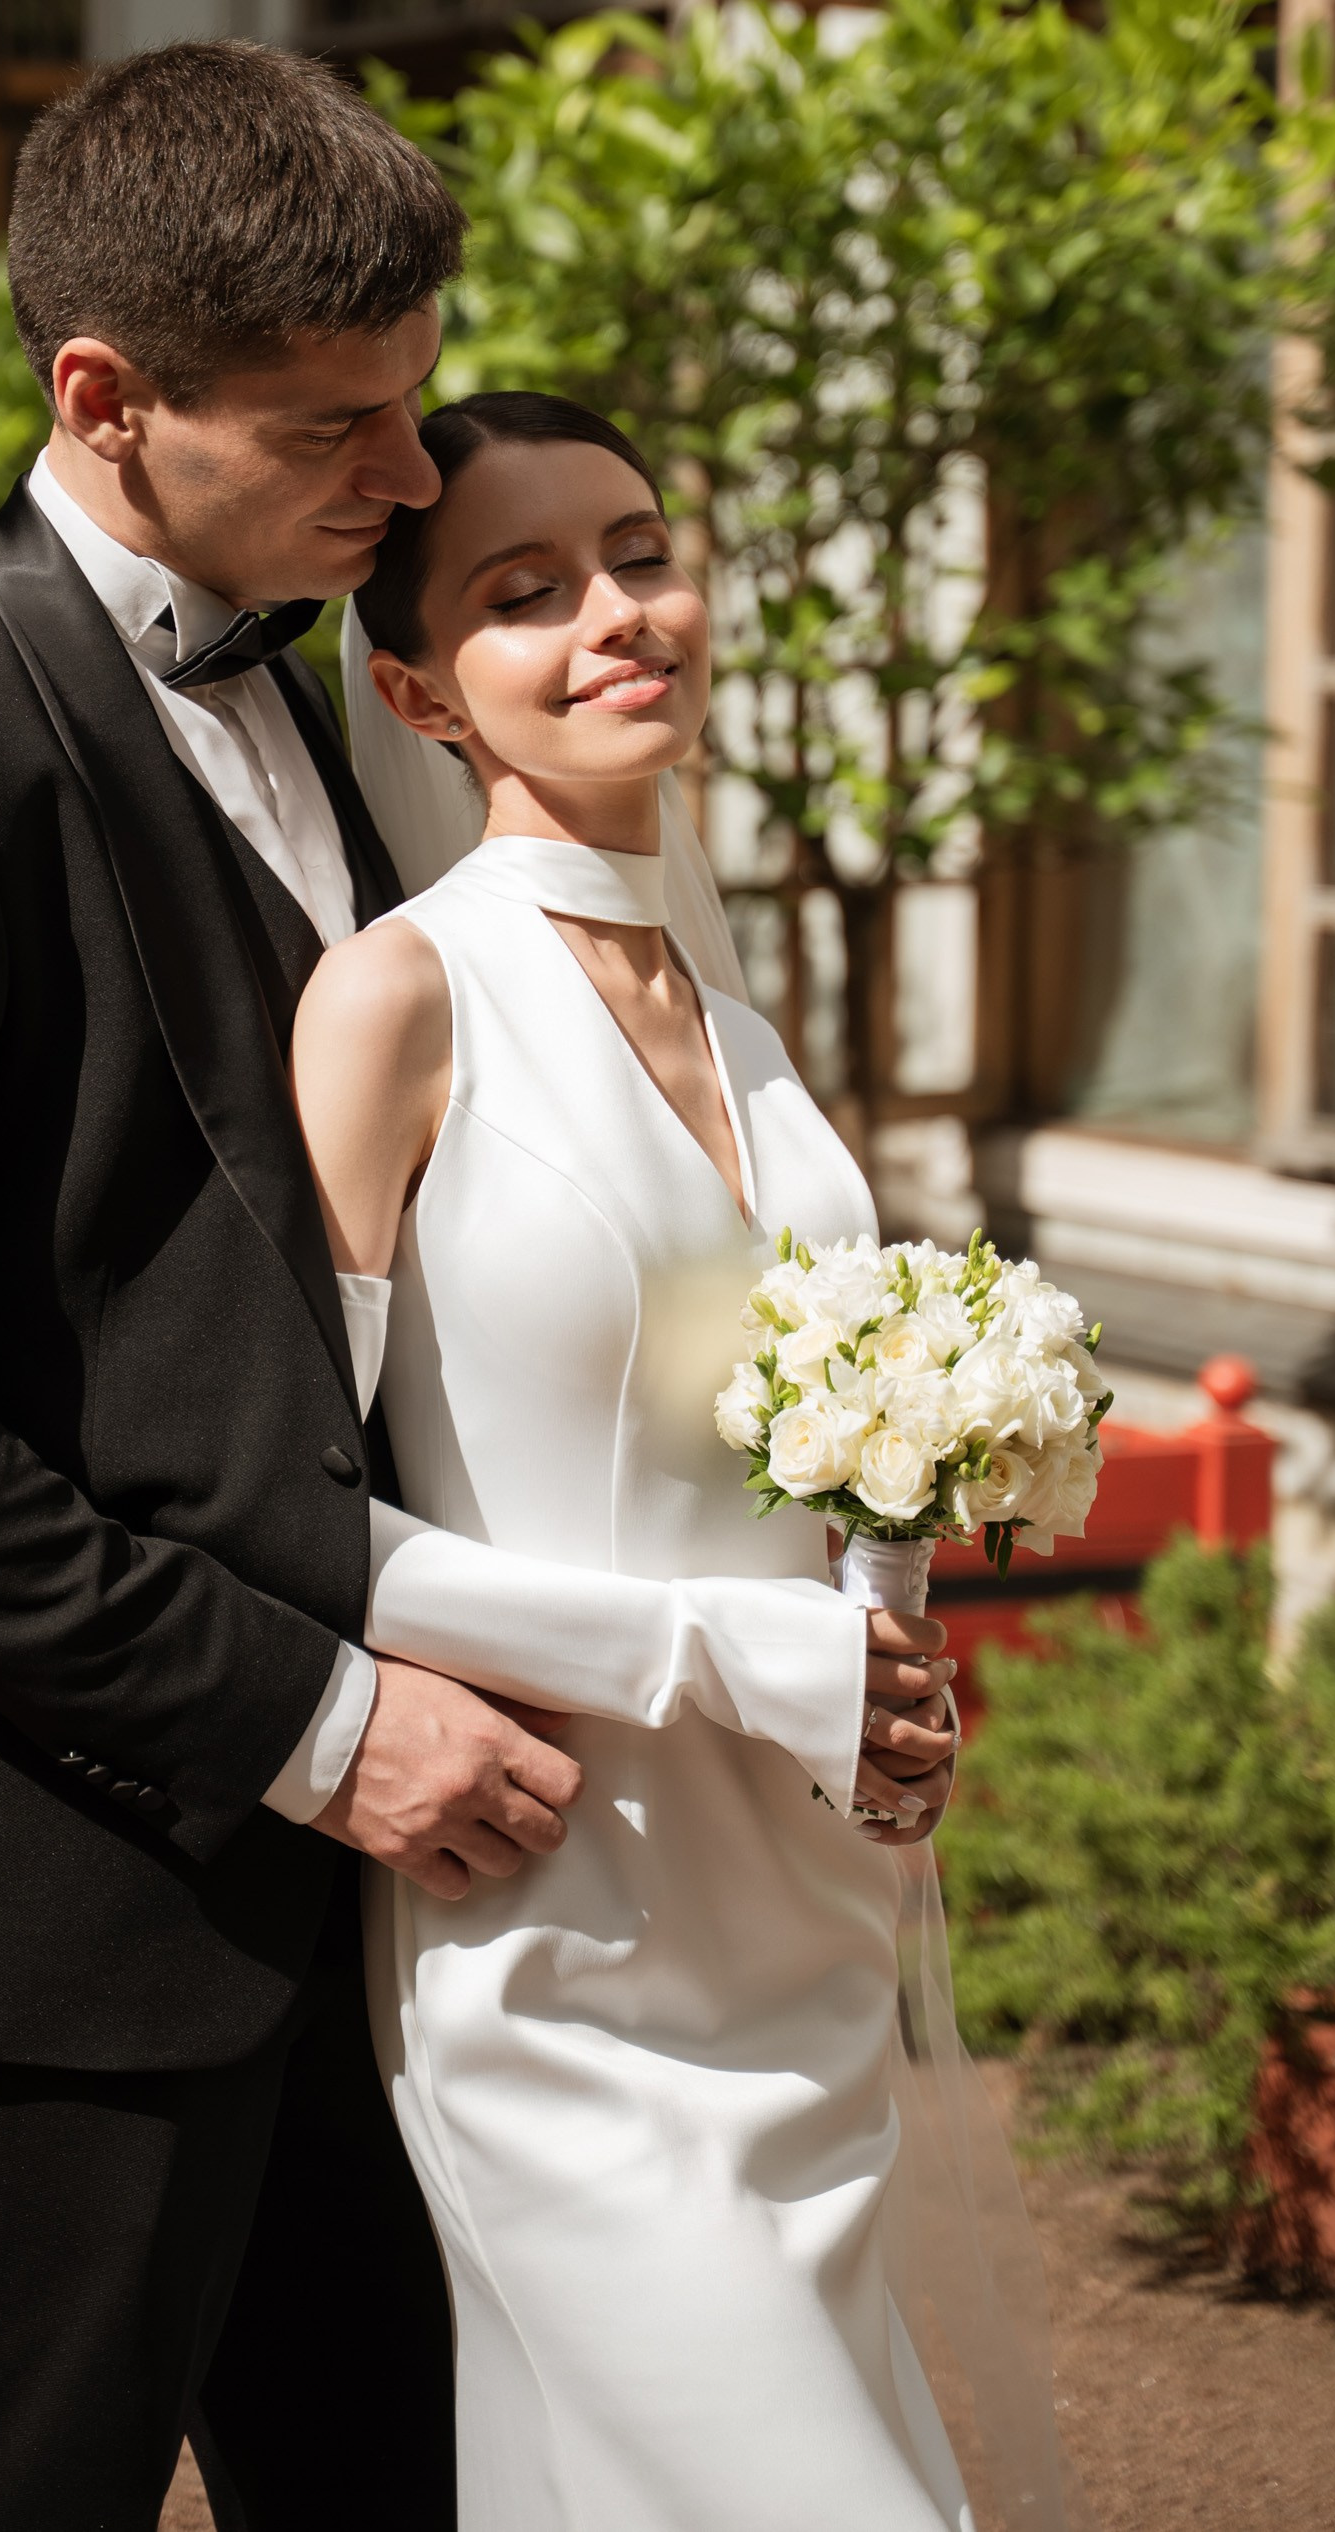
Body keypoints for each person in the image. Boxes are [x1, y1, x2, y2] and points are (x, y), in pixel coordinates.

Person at [0, 43, 959, 2532]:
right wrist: (318, 1719)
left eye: (410, 397)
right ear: (105, 401)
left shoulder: (287, 677)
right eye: (334, 426)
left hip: (430, 1904)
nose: (404, 473)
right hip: (73, 1872)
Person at [290, 390, 1066, 2530]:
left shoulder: (752, 1036)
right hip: (556, 1918)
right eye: (525, 590)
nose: (618, 613)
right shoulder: (395, 1003)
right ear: (415, 691)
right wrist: (736, 1660)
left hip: (797, 1910)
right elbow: (291, 1519)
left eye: (639, 553)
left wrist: (879, 1660)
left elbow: (803, 1467)